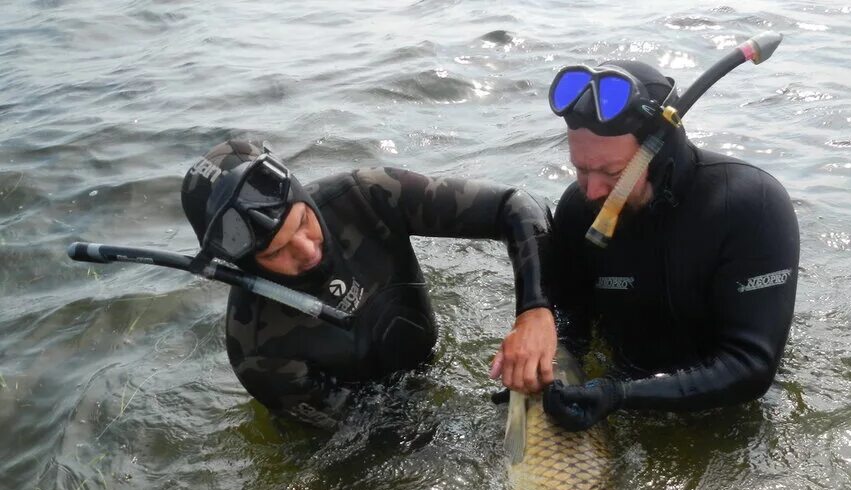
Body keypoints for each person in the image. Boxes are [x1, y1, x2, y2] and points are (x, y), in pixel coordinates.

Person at [180, 139, 557, 425]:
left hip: (427, 361)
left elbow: (519, 206)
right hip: (363, 423)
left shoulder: (365, 196)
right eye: (278, 253)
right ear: (249, 265)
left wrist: (535, 311)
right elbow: (370, 435)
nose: (307, 251)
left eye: (302, 223)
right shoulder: (257, 350)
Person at [539, 60, 800, 431]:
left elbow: (750, 368)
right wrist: (543, 378)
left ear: (660, 158)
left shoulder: (749, 206)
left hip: (730, 410)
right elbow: (567, 324)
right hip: (611, 394)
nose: (592, 190)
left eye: (612, 174)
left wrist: (620, 395)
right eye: (581, 169)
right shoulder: (578, 212)